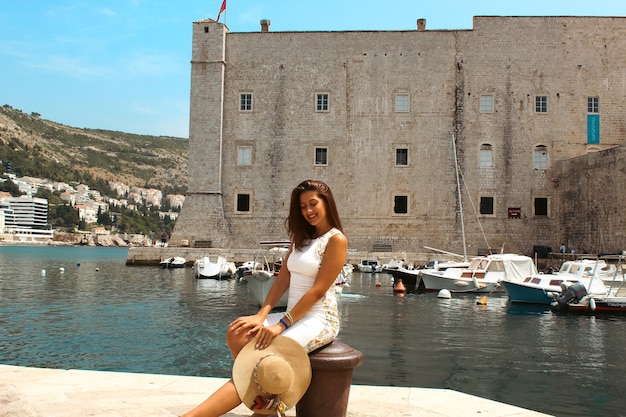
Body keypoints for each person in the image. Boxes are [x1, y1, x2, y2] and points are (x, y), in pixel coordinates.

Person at [182, 179, 348, 417]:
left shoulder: (336, 240)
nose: (308, 211)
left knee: (259, 362)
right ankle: (265, 402)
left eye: (313, 204)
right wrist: (261, 316)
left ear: (327, 202)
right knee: (237, 331)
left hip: (319, 321)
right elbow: (282, 279)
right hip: (293, 316)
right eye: (302, 207)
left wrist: (281, 325)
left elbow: (318, 291)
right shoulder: (301, 239)